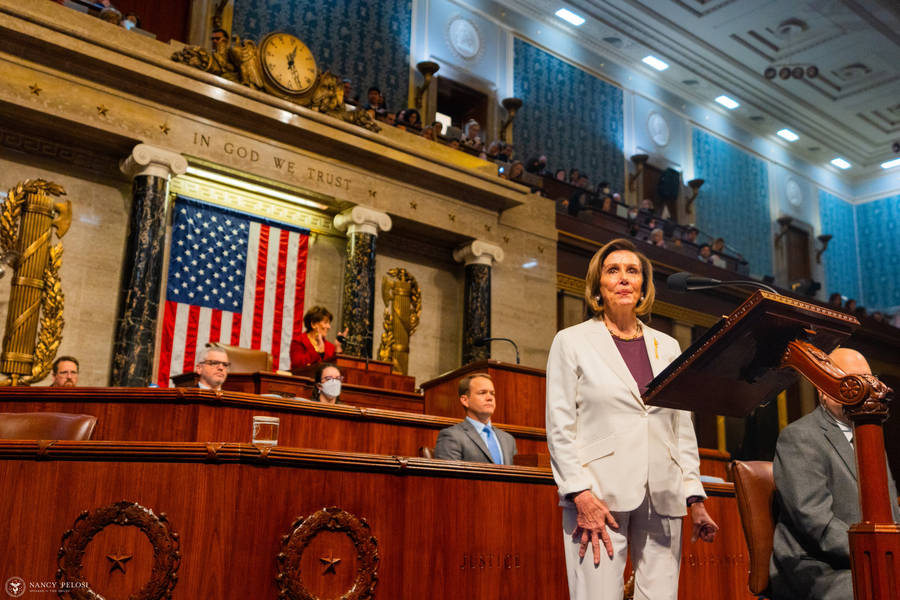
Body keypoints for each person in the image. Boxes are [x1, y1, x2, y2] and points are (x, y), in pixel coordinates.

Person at [545, 238, 717, 600]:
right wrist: (578, 492)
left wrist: (694, 498)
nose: (623, 278)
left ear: (642, 287)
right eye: (613, 271)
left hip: (664, 494)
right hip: (598, 495)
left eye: (632, 271)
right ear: (598, 286)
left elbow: (681, 429)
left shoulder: (667, 346)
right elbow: (559, 425)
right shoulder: (571, 341)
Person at [769, 347, 900, 600]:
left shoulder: (869, 434)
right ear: (823, 389)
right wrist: (876, 553)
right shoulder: (800, 437)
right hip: (820, 568)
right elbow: (816, 523)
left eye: (869, 380)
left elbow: (891, 514)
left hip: (870, 558)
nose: (866, 390)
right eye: (854, 381)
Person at [434, 373, 517, 464]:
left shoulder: (508, 440)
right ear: (465, 400)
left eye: (492, 393)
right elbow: (448, 477)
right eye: (482, 393)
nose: (490, 398)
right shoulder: (451, 436)